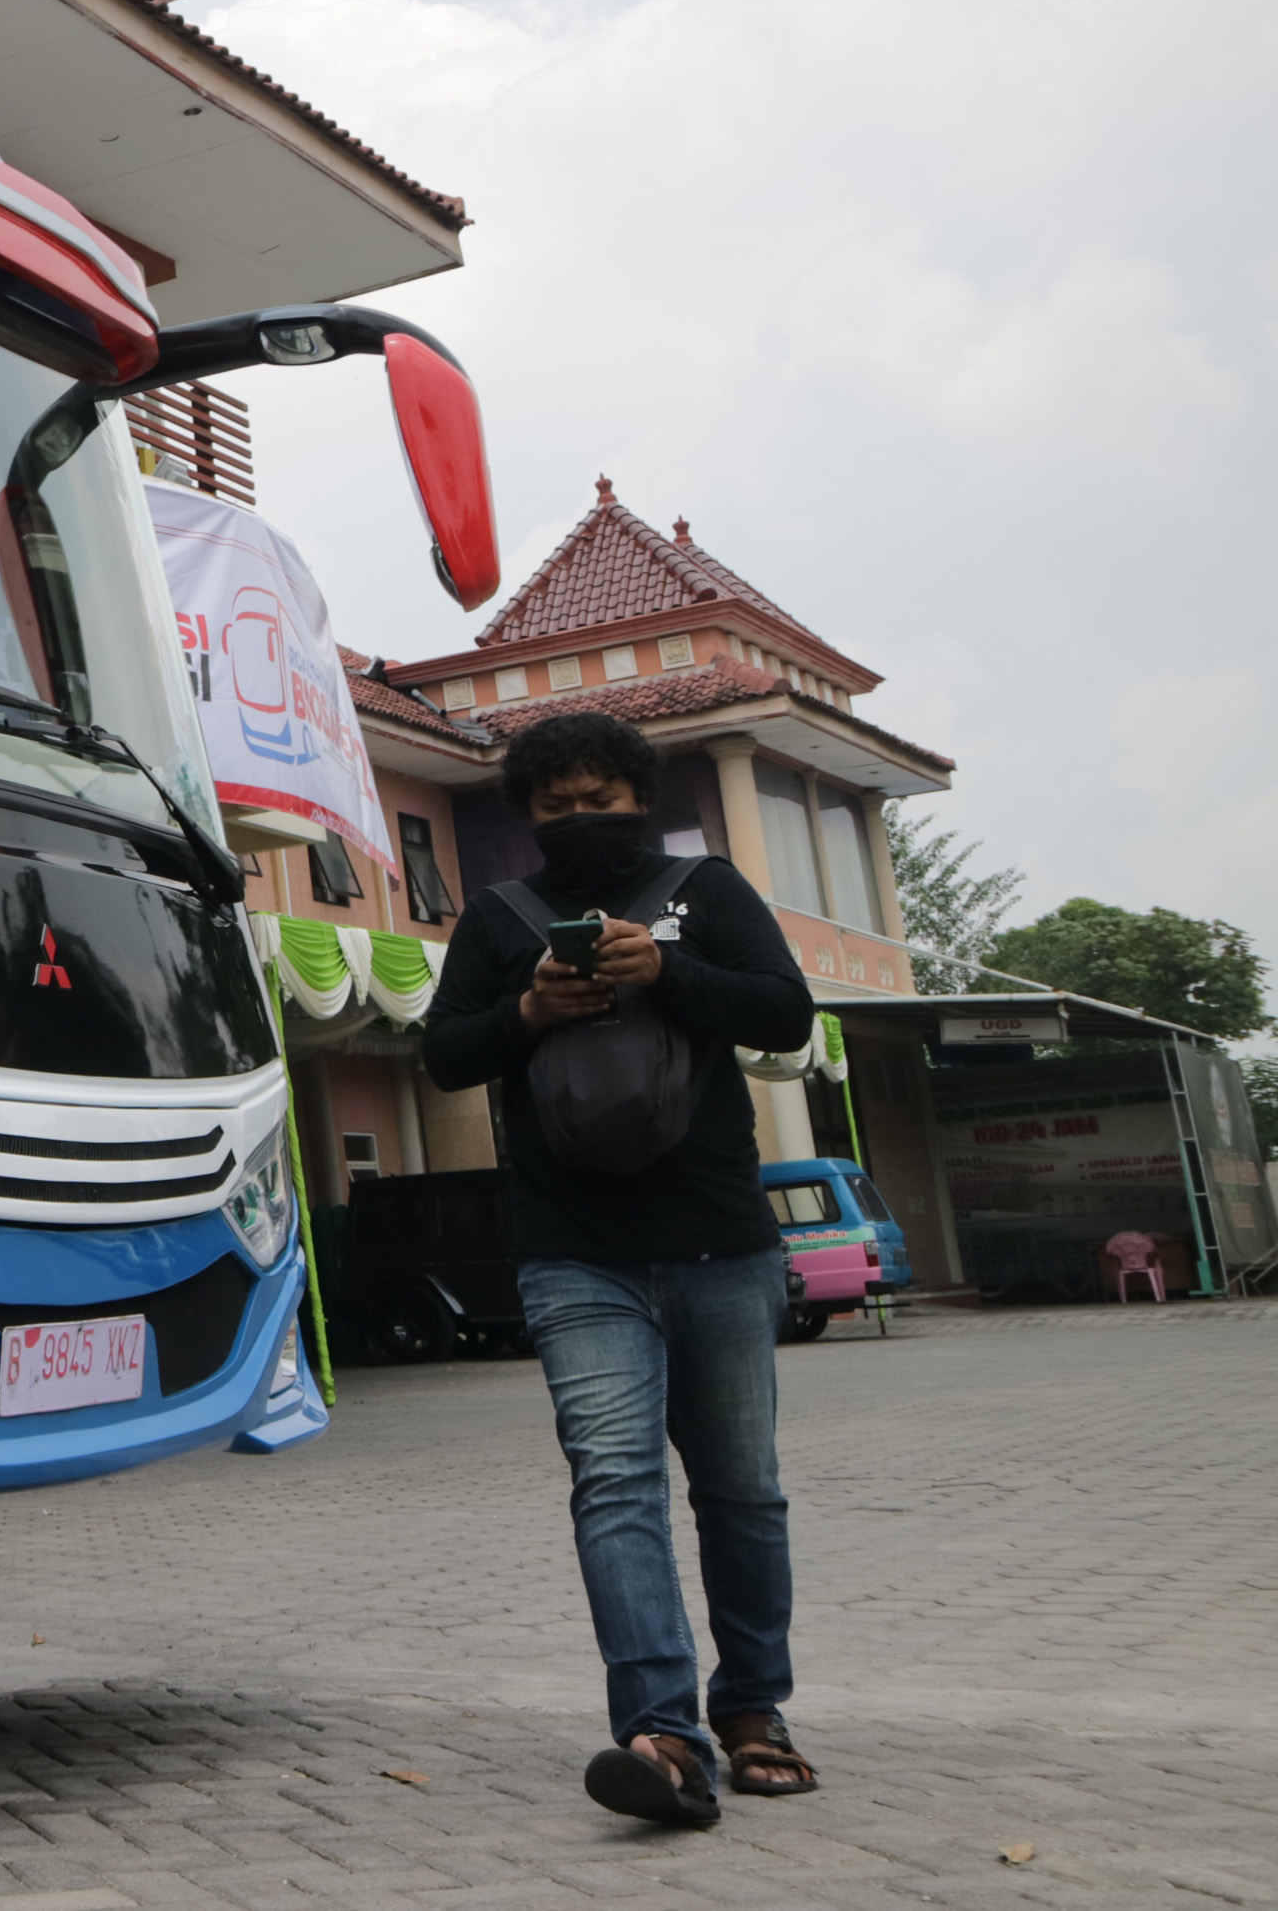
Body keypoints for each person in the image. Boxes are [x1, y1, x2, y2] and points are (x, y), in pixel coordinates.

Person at [423, 711, 824, 1829]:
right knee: (615, 1489)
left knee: (741, 1491)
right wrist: (526, 1009)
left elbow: (786, 1012)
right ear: (530, 815)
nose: (581, 820)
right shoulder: (501, 918)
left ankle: (752, 1713)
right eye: (556, 806)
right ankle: (663, 1737)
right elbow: (444, 1055)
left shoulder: (712, 892)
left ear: (639, 799)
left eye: (602, 800)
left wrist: (674, 968)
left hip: (721, 1243)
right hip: (574, 1255)